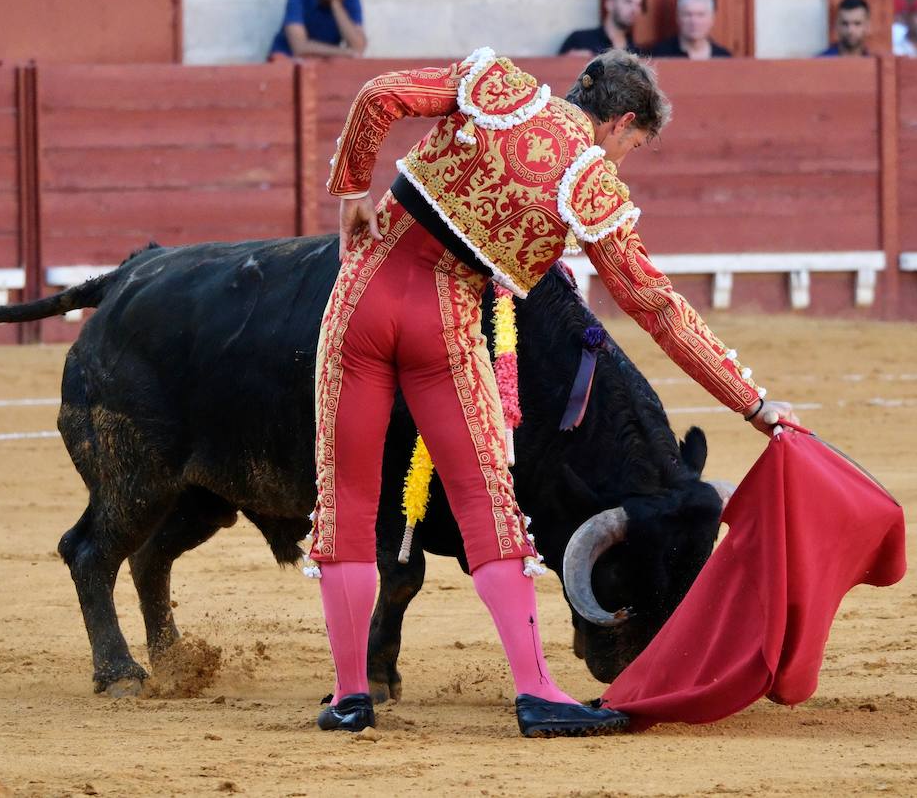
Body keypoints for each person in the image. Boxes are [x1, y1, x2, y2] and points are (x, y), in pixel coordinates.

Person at [310, 47, 797, 737]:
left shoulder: (495, 84)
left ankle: (350, 696)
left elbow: (381, 93)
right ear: (621, 121)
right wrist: (751, 401)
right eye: (632, 145)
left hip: (361, 299)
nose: (623, 159)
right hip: (443, 327)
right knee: (488, 507)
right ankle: (536, 692)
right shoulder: (589, 185)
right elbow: (657, 310)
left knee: (350, 504)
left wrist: (352, 188)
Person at [559, 0, 646, 56]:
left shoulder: (636, 52)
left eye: (638, 4)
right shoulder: (579, 40)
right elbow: (556, 71)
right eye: (628, 1)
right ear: (609, 4)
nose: (635, 10)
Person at [651, 0, 732, 59]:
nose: (694, 21)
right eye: (687, 15)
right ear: (678, 18)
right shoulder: (660, 55)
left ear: (712, 19)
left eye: (700, 15)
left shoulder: (723, 57)